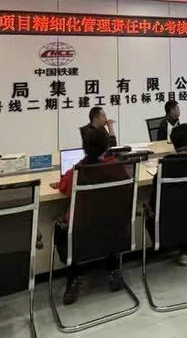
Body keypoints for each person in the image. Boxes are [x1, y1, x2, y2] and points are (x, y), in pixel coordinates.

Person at [50, 127, 125, 305]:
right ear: (107, 146)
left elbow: (64, 188)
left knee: (60, 227)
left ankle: (74, 276)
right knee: (106, 218)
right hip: (114, 229)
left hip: (82, 232)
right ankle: (113, 269)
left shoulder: (77, 172)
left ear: (84, 147)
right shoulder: (116, 167)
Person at [149, 123, 187, 266]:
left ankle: (172, 246)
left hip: (167, 224)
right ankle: (186, 248)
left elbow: (154, 199)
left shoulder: (165, 166)